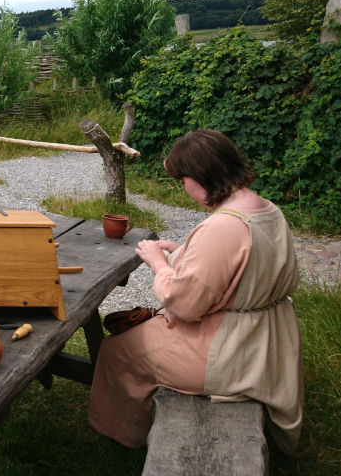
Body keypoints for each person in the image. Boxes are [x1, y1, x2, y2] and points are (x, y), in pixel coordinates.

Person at [88, 129, 304, 454]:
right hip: (268, 338)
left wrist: (159, 264)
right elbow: (240, 272)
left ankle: (123, 437)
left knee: (116, 350)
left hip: (230, 351)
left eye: (183, 179)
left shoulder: (225, 225)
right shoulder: (266, 209)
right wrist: (180, 252)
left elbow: (184, 303)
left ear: (201, 176)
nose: (184, 188)